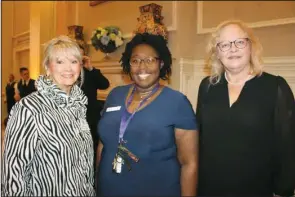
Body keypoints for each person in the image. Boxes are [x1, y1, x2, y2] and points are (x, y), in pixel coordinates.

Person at [196, 19, 295, 196]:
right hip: (209, 187)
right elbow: (200, 139)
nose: (233, 49)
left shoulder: (275, 87)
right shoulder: (207, 86)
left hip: (256, 187)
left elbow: (287, 146)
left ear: (251, 47)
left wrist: (283, 190)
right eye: (224, 45)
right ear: (217, 53)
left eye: (239, 42)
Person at [96, 33, 198, 196]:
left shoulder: (177, 102)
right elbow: (103, 144)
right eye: (135, 61)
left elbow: (189, 164)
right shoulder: (115, 95)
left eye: (150, 60)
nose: (142, 67)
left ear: (161, 63)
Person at [2, 35, 95, 196]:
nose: (68, 68)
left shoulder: (78, 104)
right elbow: (14, 174)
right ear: (47, 67)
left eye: (74, 61)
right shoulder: (29, 108)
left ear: (80, 67)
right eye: (60, 61)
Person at [79, 45, 110, 155]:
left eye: (82, 55)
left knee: (91, 147)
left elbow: (105, 84)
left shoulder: (90, 72)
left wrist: (91, 68)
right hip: (74, 117)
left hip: (90, 117)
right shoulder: (67, 73)